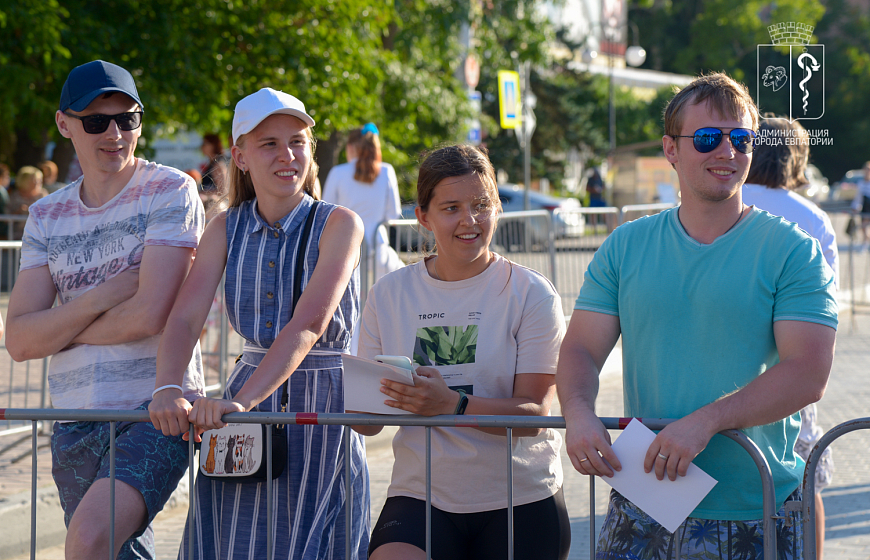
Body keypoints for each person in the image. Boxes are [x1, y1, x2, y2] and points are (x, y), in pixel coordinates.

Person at [557, 72, 837, 558]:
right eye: (707, 138)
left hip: (754, 504)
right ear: (671, 150)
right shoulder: (626, 245)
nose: (726, 152)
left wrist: (705, 422)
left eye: (741, 138)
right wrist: (578, 413)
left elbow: (807, 373)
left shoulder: (794, 250)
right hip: (645, 499)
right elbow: (581, 348)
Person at [149, 87, 369, 559]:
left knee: (311, 543)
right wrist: (167, 386)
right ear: (241, 156)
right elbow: (186, 318)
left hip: (320, 404)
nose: (287, 155)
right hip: (243, 400)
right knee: (231, 541)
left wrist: (240, 404)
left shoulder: (340, 224)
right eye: (269, 143)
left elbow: (309, 327)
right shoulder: (225, 227)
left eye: (298, 141)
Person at [4, 60, 205, 560]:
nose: (114, 133)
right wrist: (103, 295)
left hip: (154, 411)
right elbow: (20, 341)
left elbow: (150, 315)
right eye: (96, 121)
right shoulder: (45, 215)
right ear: (64, 125)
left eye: (128, 119)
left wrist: (60, 327)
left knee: (90, 540)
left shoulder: (170, 190)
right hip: (75, 416)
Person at [359, 145, 570, 560]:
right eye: (451, 207)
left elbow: (534, 416)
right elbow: (367, 424)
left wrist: (453, 405)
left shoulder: (531, 293)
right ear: (423, 216)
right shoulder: (389, 293)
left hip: (519, 496)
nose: (469, 220)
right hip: (421, 492)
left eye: (481, 205)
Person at [742, 116, 837, 560]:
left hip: (726, 364)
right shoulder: (813, 219)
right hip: (790, 369)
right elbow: (824, 305)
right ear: (796, 157)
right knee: (804, 479)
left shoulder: (727, 200)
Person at [323, 122, 403, 283]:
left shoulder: (338, 173)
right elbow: (393, 215)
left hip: (346, 252)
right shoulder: (387, 171)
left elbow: (325, 213)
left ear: (351, 147)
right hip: (379, 252)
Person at [8, 166, 49, 239]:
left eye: (39, 180)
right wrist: (19, 211)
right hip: (17, 236)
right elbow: (6, 215)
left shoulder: (43, 195)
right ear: (25, 181)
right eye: (35, 180)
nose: (38, 183)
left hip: (38, 236)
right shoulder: (15, 195)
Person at [850, 161, 870, 245]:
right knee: (864, 227)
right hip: (865, 207)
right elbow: (858, 197)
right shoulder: (861, 183)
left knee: (865, 226)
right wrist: (855, 207)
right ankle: (865, 242)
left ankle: (866, 242)